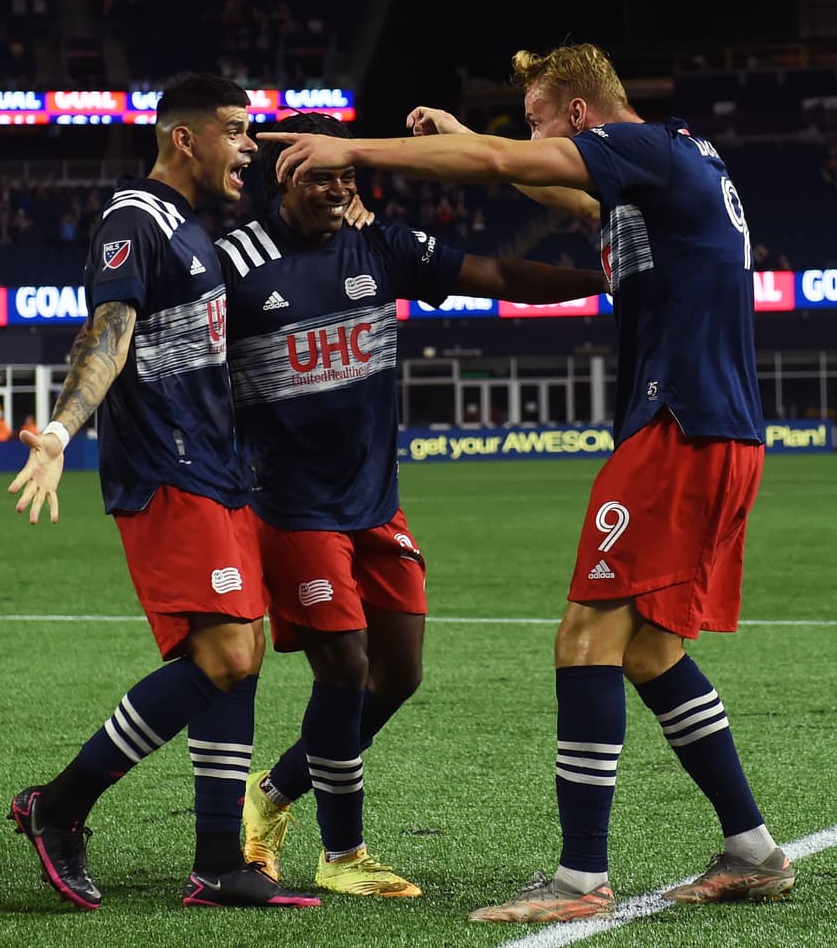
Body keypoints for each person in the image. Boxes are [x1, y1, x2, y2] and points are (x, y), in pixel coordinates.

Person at [261, 40, 794, 922]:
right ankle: (752, 849)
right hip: (716, 428)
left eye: (543, 120)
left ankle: (580, 879)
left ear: (580, 116)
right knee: (649, 648)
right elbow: (552, 184)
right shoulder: (675, 162)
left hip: (679, 425)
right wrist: (472, 132)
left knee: (584, 638)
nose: (537, 137)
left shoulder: (650, 148)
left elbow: (510, 162)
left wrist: (355, 150)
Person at [196, 111, 608, 901]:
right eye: (322, 175)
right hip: (291, 505)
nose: (339, 188)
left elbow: (498, 277)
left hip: (376, 501)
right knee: (345, 671)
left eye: (347, 175)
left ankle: (273, 792)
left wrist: (602, 285)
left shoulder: (379, 245)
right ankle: (341, 855)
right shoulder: (233, 265)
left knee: (400, 673)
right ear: (286, 177)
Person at [3, 73, 319, 913]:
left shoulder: (193, 233)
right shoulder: (133, 219)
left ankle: (217, 862)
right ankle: (58, 805)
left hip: (219, 472)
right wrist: (63, 431)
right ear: (186, 138)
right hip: (167, 470)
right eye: (236, 129)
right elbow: (107, 332)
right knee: (221, 655)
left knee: (241, 651)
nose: (249, 145)